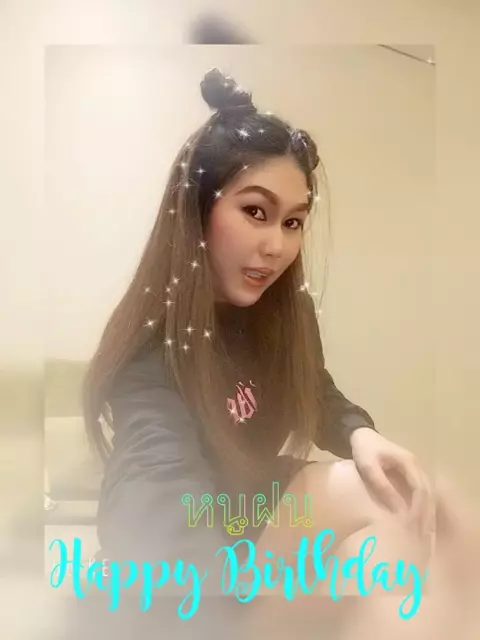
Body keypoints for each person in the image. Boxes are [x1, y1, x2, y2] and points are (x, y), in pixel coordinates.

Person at [82, 69, 479, 637]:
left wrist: (361, 435)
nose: (277, 246)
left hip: (256, 505)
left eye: (293, 221)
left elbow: (313, 388)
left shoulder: (280, 311)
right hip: (187, 552)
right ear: (196, 210)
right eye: (255, 212)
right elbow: (157, 490)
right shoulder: (152, 345)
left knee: (419, 507)